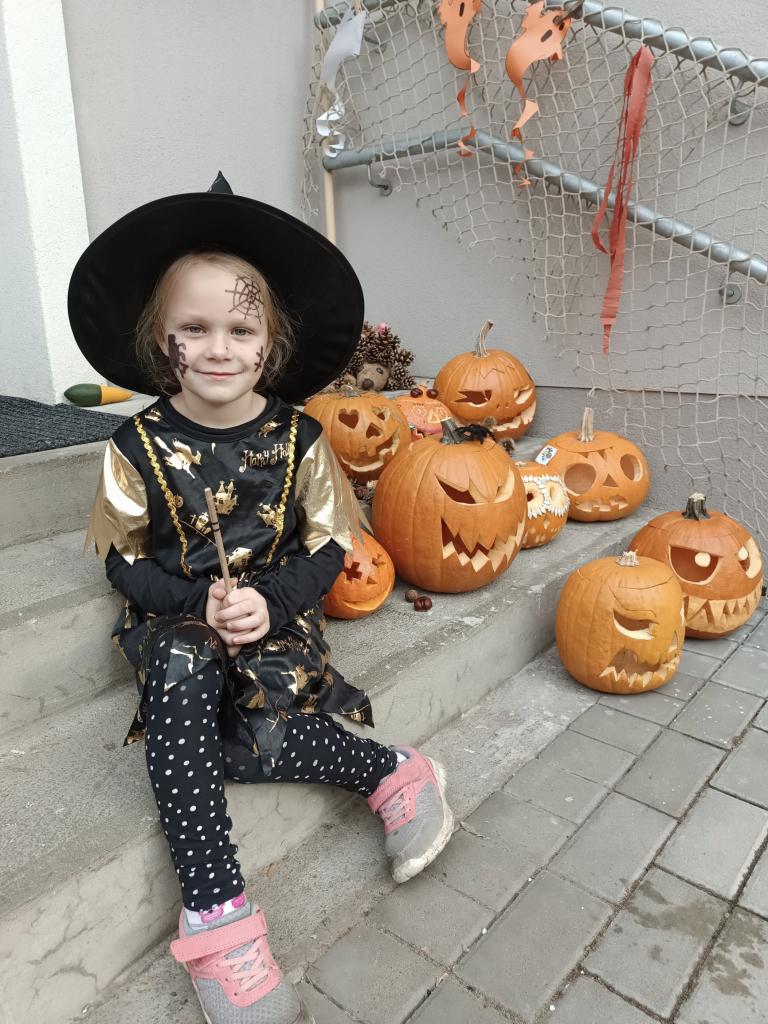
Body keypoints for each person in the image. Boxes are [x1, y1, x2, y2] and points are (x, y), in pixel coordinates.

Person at [69, 174, 454, 1024]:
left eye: (240, 330)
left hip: (274, 621)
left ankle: (390, 771)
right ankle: (218, 918)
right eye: (194, 329)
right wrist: (190, 600)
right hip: (179, 619)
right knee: (181, 664)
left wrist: (274, 603)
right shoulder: (135, 445)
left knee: (248, 740)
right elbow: (120, 561)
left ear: (269, 344)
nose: (218, 349)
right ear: (161, 340)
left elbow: (332, 546)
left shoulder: (301, 439)